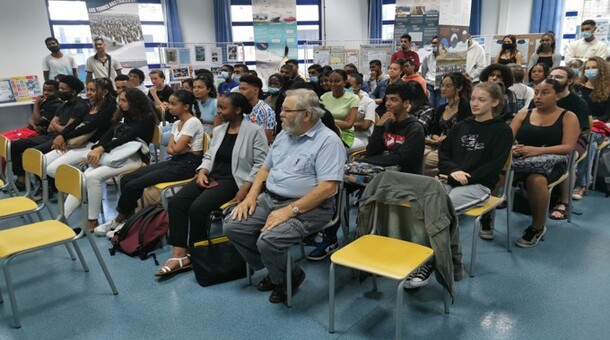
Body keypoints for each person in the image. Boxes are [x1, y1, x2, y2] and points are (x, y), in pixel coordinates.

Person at [224, 89, 346, 303]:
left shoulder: (328, 141)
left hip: (310, 207)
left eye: (287, 110)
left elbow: (328, 188)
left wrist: (289, 211)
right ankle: (279, 271)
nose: (280, 114)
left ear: (306, 114)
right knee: (233, 226)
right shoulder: (285, 134)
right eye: (281, 109)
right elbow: (265, 168)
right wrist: (251, 197)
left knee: (269, 241)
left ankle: (286, 277)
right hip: (271, 198)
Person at [156, 93, 268, 277]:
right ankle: (179, 255)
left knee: (198, 208)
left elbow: (260, 164)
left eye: (223, 108)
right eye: (219, 107)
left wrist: (245, 190)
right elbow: (208, 156)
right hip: (213, 176)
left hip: (235, 180)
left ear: (238, 110)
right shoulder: (219, 130)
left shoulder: (254, 131)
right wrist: (202, 172)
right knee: (176, 202)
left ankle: (196, 252)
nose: (219, 111)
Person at [94, 90, 204, 237]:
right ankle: (127, 218)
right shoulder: (177, 123)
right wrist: (177, 148)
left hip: (188, 166)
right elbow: (172, 149)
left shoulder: (193, 122)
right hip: (175, 161)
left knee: (135, 184)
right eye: (169, 103)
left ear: (186, 107)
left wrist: (176, 148)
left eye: (173, 104)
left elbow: (174, 148)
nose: (169, 107)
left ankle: (119, 220)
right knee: (126, 178)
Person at [66, 88, 156, 231]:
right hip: (116, 154)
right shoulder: (124, 115)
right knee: (84, 177)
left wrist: (101, 148)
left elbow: (128, 137)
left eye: (124, 100)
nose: (120, 104)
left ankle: (92, 221)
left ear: (135, 102)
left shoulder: (147, 117)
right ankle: (63, 218)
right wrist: (98, 147)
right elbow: (109, 134)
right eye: (119, 100)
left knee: (92, 177)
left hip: (136, 157)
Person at [509, 79, 580, 248]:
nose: (538, 97)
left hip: (553, 162)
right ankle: (487, 218)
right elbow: (506, 138)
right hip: (522, 160)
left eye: (545, 93)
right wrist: (512, 148)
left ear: (557, 95)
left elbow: (568, 147)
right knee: (497, 173)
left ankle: (537, 227)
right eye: (536, 92)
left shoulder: (568, 117)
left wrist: (536, 150)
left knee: (536, 180)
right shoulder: (523, 114)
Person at [439, 81, 513, 213]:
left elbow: (494, 165)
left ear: (495, 102)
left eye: (481, 100)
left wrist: (464, 177)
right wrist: (453, 171)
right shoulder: (460, 126)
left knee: (444, 208)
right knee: (425, 201)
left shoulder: (502, 131)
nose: (474, 103)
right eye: (472, 99)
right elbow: (444, 153)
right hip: (452, 179)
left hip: (479, 185)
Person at [10, 76, 88, 190]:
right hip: (49, 135)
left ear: (73, 91)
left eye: (62, 88)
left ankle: (47, 187)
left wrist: (57, 126)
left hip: (62, 140)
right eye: (59, 88)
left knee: (34, 154)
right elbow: (50, 127)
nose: (59, 91)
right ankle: (22, 181)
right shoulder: (64, 104)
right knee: (13, 145)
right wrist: (58, 126)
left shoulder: (80, 106)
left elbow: (66, 130)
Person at [45, 78, 116, 186]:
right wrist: (62, 136)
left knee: (52, 170)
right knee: (44, 162)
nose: (88, 93)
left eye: (92, 90)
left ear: (104, 92)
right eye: (87, 90)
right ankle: (78, 190)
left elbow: (89, 127)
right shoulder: (91, 105)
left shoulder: (110, 108)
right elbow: (75, 123)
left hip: (92, 145)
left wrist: (64, 137)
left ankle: (81, 190)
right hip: (78, 142)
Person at [544, 67, 590, 216]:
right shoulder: (541, 98)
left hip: (574, 140)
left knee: (567, 157)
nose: (553, 79)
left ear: (569, 81)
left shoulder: (578, 103)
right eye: (551, 76)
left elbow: (580, 130)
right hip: (546, 137)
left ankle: (564, 202)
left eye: (558, 77)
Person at [362, 83, 426, 174]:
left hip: (405, 176)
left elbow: (401, 158)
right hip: (383, 172)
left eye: (393, 100)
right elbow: (371, 151)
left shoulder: (415, 128)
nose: (388, 103)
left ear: (406, 103)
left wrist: (368, 160)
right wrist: (379, 127)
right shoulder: (388, 123)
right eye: (387, 99)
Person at [426, 73, 473, 176]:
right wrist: (437, 138)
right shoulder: (441, 109)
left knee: (424, 160)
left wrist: (445, 138)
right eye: (442, 85)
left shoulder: (465, 108)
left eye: (448, 86)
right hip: (439, 145)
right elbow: (434, 131)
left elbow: (464, 132)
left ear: (459, 88)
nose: (443, 88)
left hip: (455, 147)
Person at [320, 69, 359, 148]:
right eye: (330, 81)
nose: (333, 84)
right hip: (324, 132)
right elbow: (318, 119)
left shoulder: (353, 98)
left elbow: (349, 124)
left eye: (337, 81)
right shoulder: (324, 97)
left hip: (344, 134)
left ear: (344, 82)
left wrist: (327, 125)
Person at [238, 75, 276, 143]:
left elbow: (266, 140)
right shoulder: (239, 108)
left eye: (244, 89)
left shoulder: (266, 110)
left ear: (256, 90)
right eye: (239, 89)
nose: (240, 92)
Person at [346, 73, 376, 151]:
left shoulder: (368, 102)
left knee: (341, 148)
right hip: (344, 135)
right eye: (345, 86)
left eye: (349, 85)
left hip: (360, 137)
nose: (345, 88)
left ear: (358, 86)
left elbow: (364, 126)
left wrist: (346, 124)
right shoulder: (342, 101)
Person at [148, 69, 174, 146]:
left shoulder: (168, 90)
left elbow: (163, 108)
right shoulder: (152, 90)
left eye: (155, 78)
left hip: (166, 118)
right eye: (151, 79)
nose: (153, 81)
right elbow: (150, 105)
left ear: (162, 78)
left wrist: (154, 95)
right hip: (155, 116)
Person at [421, 36, 446, 108]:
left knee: (441, 105)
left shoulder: (445, 57)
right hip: (429, 84)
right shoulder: (427, 56)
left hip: (441, 84)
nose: (435, 45)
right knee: (430, 105)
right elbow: (423, 70)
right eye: (434, 43)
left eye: (437, 43)